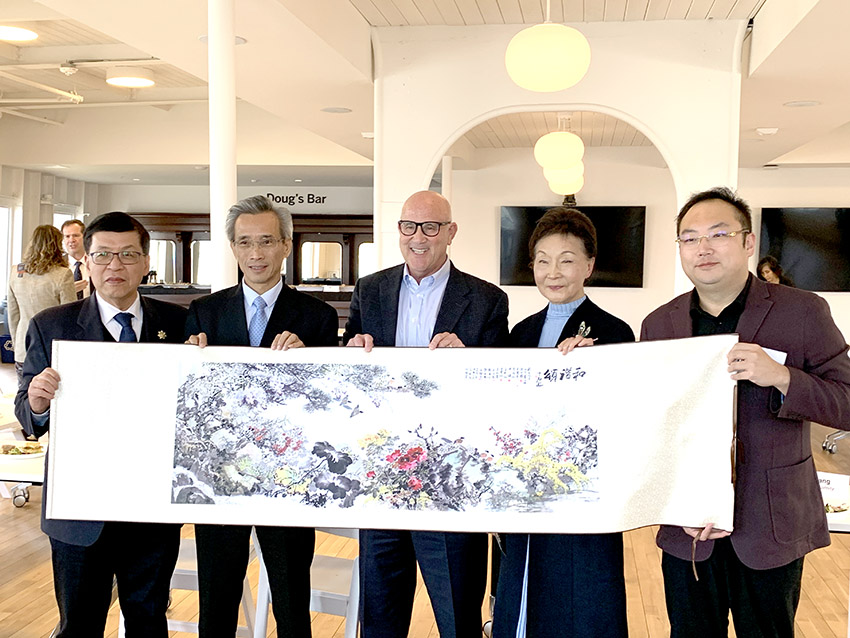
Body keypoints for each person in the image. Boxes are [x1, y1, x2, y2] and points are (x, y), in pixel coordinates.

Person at [641, 187, 850, 638]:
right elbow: (652, 424)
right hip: (689, 525)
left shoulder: (802, 312)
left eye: (719, 234)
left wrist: (783, 377)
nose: (703, 248)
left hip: (769, 521)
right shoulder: (659, 324)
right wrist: (675, 501)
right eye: (690, 238)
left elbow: (847, 400)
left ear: (748, 242)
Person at [343, 190, 509, 638]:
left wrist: (470, 358)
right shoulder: (370, 289)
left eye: (431, 227)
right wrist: (353, 349)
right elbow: (352, 372)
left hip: (451, 480)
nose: (418, 237)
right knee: (380, 615)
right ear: (398, 230)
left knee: (457, 616)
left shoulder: (487, 299)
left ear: (451, 232)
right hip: (381, 478)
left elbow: (500, 387)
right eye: (409, 226)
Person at [14, 212, 187, 637]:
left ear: (146, 262)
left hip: (151, 505)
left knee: (148, 621)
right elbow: (28, 416)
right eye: (103, 255)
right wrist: (37, 402)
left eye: (128, 255)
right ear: (86, 262)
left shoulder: (179, 324)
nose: (115, 266)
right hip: (78, 509)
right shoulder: (52, 325)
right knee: (79, 624)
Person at [185, 195, 338, 638]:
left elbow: (329, 403)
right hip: (220, 477)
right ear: (233, 247)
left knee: (291, 601)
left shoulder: (318, 316)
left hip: (287, 476)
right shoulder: (204, 312)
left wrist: (309, 364)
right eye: (245, 242)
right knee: (216, 600)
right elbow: (191, 400)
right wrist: (189, 362)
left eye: (267, 241)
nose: (256, 253)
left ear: (286, 245)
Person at [492, 207, 634, 638]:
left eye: (567, 260)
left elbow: (623, 410)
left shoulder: (614, 333)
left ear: (589, 266)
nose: (553, 272)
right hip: (522, 486)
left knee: (580, 595)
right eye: (543, 260)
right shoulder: (520, 332)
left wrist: (593, 369)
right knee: (520, 587)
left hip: (580, 493)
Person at [8, 225, 76, 385]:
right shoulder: (63, 274)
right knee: (51, 395)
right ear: (57, 245)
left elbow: (13, 313)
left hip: (23, 346)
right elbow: (70, 318)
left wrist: (16, 342)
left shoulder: (16, 272)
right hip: (51, 349)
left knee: (24, 393)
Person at [62, 219, 91, 299]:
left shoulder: (94, 262)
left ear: (85, 237)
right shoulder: (57, 265)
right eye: (67, 236)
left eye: (75, 235)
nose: (71, 240)